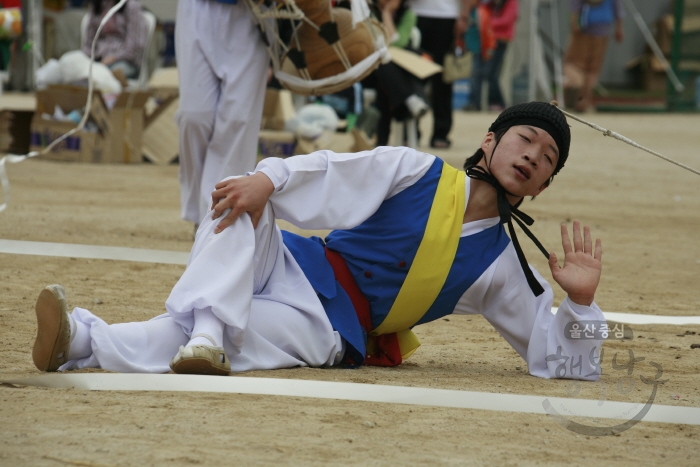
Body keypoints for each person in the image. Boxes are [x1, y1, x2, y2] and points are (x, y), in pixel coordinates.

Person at [32, 102, 606, 381]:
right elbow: (333, 171)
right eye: (526, 140)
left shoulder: (504, 267)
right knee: (237, 200)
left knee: (240, 331)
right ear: (489, 142)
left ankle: (84, 339)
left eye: (547, 158)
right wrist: (269, 178)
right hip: (295, 263)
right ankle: (205, 333)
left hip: (333, 326)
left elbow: (557, 359)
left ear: (545, 183)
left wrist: (579, 303)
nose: (533, 155)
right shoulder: (415, 168)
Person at [175, 0, 269, 232]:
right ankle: (201, 208)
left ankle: (216, 213)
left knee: (238, 120)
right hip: (196, 8)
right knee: (193, 116)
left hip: (252, 13)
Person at [406, 0, 473, 149]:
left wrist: (464, 16)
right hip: (415, 13)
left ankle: (441, 133)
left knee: (443, 79)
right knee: (413, 74)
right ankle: (410, 130)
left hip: (447, 15)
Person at [365, 0, 430, 146]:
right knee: (384, 60)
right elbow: (375, 45)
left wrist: (386, 14)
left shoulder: (409, 15)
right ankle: (410, 100)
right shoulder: (368, 14)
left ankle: (381, 143)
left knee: (385, 87)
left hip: (389, 75)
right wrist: (384, 13)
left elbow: (398, 43)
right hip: (369, 71)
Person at [563, 0, 623, 113]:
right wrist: (619, 27)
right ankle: (584, 102)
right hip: (603, 28)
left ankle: (574, 85)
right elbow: (618, 8)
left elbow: (575, 7)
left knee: (574, 63)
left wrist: (574, 22)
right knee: (593, 68)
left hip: (584, 27)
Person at [81, 0, 147, 80]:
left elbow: (133, 47)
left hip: (124, 61)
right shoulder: (96, 5)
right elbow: (89, 43)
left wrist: (111, 59)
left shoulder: (131, 6)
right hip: (98, 60)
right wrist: (86, 59)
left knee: (104, 75)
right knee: (77, 70)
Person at [463, 0, 495, 111]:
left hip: (479, 50)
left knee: (476, 78)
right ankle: (472, 101)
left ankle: (475, 103)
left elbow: (488, 31)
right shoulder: (465, 13)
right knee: (471, 78)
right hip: (468, 50)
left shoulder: (482, 12)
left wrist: (490, 48)